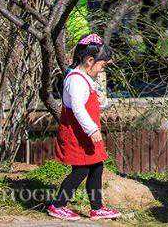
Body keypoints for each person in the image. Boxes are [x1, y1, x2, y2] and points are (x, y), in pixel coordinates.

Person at [47, 35, 121, 221]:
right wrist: (92, 129)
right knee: (81, 170)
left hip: (86, 135)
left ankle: (97, 208)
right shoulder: (76, 80)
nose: (102, 69)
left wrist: (102, 100)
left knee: (97, 167)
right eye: (102, 65)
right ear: (90, 61)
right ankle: (58, 205)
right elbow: (78, 108)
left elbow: (92, 102)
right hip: (78, 135)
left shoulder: (86, 77)